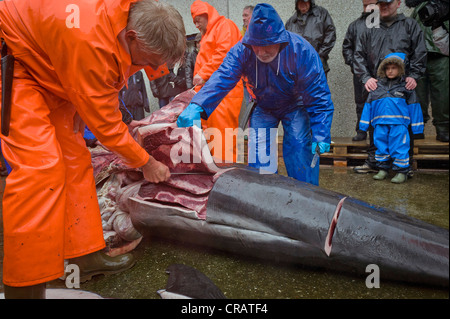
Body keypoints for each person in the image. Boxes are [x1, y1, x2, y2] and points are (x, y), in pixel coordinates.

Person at [0, 0, 185, 298]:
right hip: (16, 60)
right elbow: (108, 128)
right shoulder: (90, 44)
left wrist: (78, 91)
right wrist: (147, 162)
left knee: (75, 160)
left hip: (54, 67)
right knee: (40, 169)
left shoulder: (128, 17)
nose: (149, 69)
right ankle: (24, 286)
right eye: (145, 61)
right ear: (131, 37)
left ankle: (82, 255)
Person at [177, 3, 334, 186]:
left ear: (280, 40)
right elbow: (223, 76)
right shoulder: (242, 51)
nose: (261, 52)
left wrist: (321, 133)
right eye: (256, 46)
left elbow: (318, 95)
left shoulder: (301, 51)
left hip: (295, 104)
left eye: (268, 45)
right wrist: (198, 104)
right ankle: (263, 198)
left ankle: (308, 197)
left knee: (299, 147)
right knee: (260, 157)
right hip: (263, 105)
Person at [352, 0, 427, 174]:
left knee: (402, 126)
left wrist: (414, 76)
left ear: (399, 3)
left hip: (402, 87)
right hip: (375, 85)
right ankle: (375, 163)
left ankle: (404, 167)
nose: (384, 6)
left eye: (388, 3)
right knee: (376, 124)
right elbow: (358, 54)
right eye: (381, 3)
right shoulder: (370, 25)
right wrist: (365, 77)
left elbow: (420, 52)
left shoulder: (409, 25)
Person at [190, 0, 244, 163]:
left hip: (224, 93)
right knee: (214, 137)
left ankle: (228, 176)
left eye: (198, 20)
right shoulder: (208, 34)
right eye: (194, 21)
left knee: (224, 138)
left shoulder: (224, 26)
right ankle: (218, 174)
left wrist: (202, 74)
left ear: (207, 14)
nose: (196, 25)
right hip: (212, 94)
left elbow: (224, 53)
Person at [359, 53, 424, 183]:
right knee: (381, 146)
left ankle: (402, 171)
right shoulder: (376, 88)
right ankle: (383, 169)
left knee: (399, 146)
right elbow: (368, 107)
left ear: (401, 69)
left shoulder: (406, 87)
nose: (390, 71)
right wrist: (363, 125)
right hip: (380, 124)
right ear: (383, 69)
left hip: (399, 125)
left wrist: (417, 127)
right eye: (387, 68)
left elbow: (414, 107)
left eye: (394, 68)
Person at [409, 1, 449, 142]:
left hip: (441, 55)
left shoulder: (445, 5)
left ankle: (443, 129)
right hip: (419, 56)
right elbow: (411, 28)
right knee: (418, 94)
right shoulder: (419, 6)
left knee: (442, 94)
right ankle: (417, 128)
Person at [342, 0, 378, 141]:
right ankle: (362, 131)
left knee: (380, 102)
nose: (369, 7)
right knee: (361, 103)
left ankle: (377, 133)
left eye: (372, 4)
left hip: (380, 73)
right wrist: (354, 65)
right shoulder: (355, 25)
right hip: (360, 72)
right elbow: (347, 47)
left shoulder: (384, 25)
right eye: (366, 5)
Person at [285, 0, 336, 77]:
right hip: (298, 69)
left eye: (305, 2)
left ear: (310, 2)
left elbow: (330, 33)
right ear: (296, 4)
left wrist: (319, 55)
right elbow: (286, 44)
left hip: (318, 65)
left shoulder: (321, 14)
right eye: (300, 2)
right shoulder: (291, 22)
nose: (303, 5)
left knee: (318, 88)